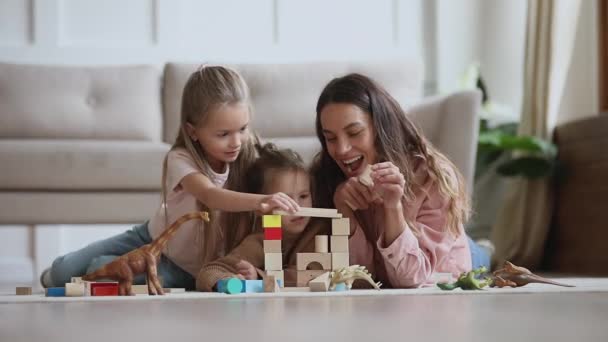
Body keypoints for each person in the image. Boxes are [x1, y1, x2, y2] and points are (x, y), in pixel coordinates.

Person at [41, 65, 299, 289]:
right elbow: (210, 194)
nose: (236, 142)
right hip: (150, 236)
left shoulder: (249, 152)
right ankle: (53, 276)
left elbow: (283, 168)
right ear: (193, 131)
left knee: (101, 269)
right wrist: (259, 201)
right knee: (64, 271)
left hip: (182, 268)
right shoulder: (180, 158)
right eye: (223, 134)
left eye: (242, 129)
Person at [310, 73, 490, 288]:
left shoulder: (433, 176)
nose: (341, 149)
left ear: (379, 128)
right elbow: (360, 281)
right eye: (330, 138)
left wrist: (393, 206)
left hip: (454, 257)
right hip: (431, 243)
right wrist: (344, 213)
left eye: (355, 132)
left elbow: (411, 279)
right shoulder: (328, 179)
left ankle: (485, 250)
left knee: (480, 256)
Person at [197, 143, 327, 291]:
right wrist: (228, 280)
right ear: (262, 208)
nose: (296, 207)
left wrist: (260, 278)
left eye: (304, 196)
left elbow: (313, 275)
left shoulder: (318, 232)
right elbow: (209, 272)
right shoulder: (262, 240)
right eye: (284, 200)